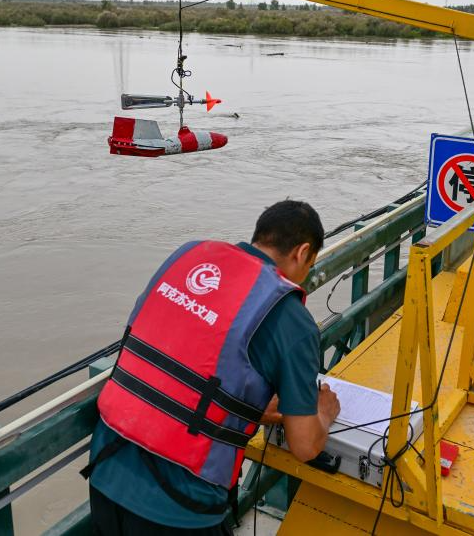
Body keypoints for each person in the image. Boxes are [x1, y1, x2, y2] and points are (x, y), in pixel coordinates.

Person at [84, 200, 341, 535]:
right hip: (178, 507)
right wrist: (324, 413)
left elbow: (188, 363)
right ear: (303, 252)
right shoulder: (291, 319)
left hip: (106, 470)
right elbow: (304, 446)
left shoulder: (189, 257)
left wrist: (244, 409)